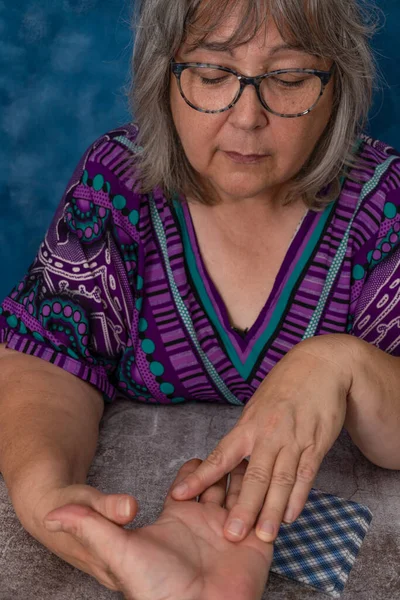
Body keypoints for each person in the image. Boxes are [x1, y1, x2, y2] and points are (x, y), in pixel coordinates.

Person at [1, 0, 400, 598]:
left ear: (337, 85)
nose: (246, 117)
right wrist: (46, 495)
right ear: (165, 76)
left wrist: (347, 366)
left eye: (288, 79)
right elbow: (44, 358)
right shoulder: (117, 182)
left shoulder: (383, 204)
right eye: (212, 75)